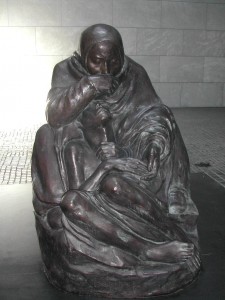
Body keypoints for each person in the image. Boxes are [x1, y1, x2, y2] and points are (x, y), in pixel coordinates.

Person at [32, 24, 200, 297]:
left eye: (113, 60)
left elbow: (152, 111)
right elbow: (56, 114)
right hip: (86, 164)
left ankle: (173, 212)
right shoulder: (66, 72)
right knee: (94, 188)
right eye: (96, 61)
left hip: (123, 151)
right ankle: (148, 246)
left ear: (122, 55)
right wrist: (87, 87)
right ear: (83, 55)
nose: (106, 68)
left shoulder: (134, 73)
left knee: (162, 126)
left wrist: (153, 142)